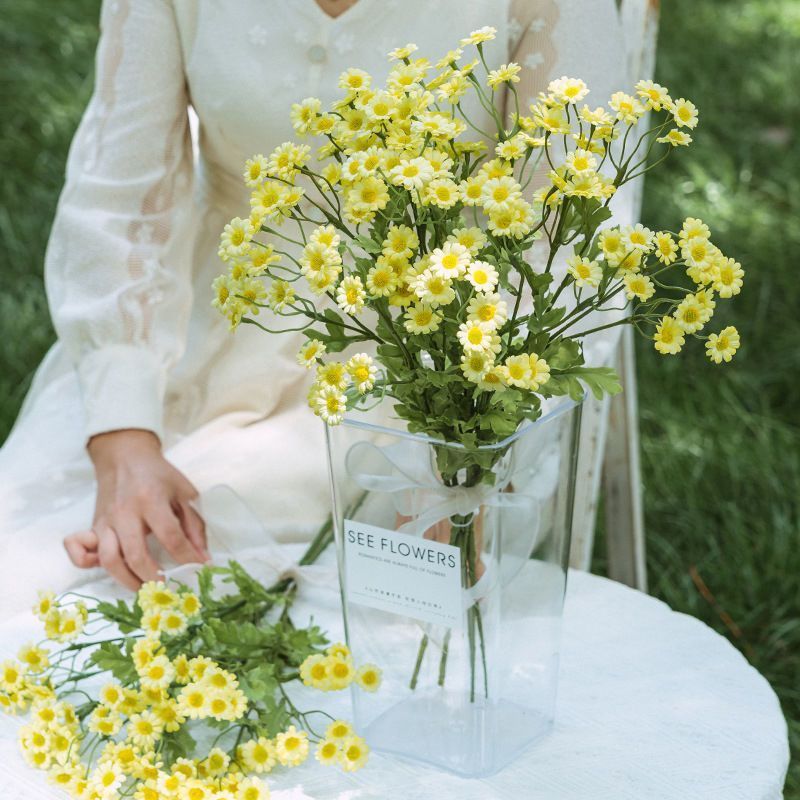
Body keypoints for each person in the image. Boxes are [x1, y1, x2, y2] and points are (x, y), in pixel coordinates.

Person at [0, 0, 631, 615]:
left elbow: (570, 240)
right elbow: (115, 199)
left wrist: (465, 447)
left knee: (288, 582)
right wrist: (124, 439)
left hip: (432, 363)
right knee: (55, 562)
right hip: (197, 332)